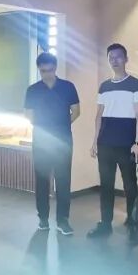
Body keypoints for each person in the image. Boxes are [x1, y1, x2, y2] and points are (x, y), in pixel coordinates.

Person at [89, 43, 138, 239]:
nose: (114, 60)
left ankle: (133, 220)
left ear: (126, 59)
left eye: (118, 56)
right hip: (105, 143)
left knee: (130, 185)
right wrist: (94, 141)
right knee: (106, 185)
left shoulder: (137, 84)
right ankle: (105, 224)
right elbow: (99, 115)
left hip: (127, 145)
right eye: (111, 57)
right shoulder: (104, 86)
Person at [24, 52, 81, 235]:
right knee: (41, 180)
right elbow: (29, 115)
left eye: (50, 70)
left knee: (63, 181)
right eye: (43, 71)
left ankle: (63, 221)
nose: (47, 74)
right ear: (39, 70)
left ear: (55, 68)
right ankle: (43, 219)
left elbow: (76, 111)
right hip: (41, 141)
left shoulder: (67, 87)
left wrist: (62, 125)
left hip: (63, 141)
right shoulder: (33, 90)